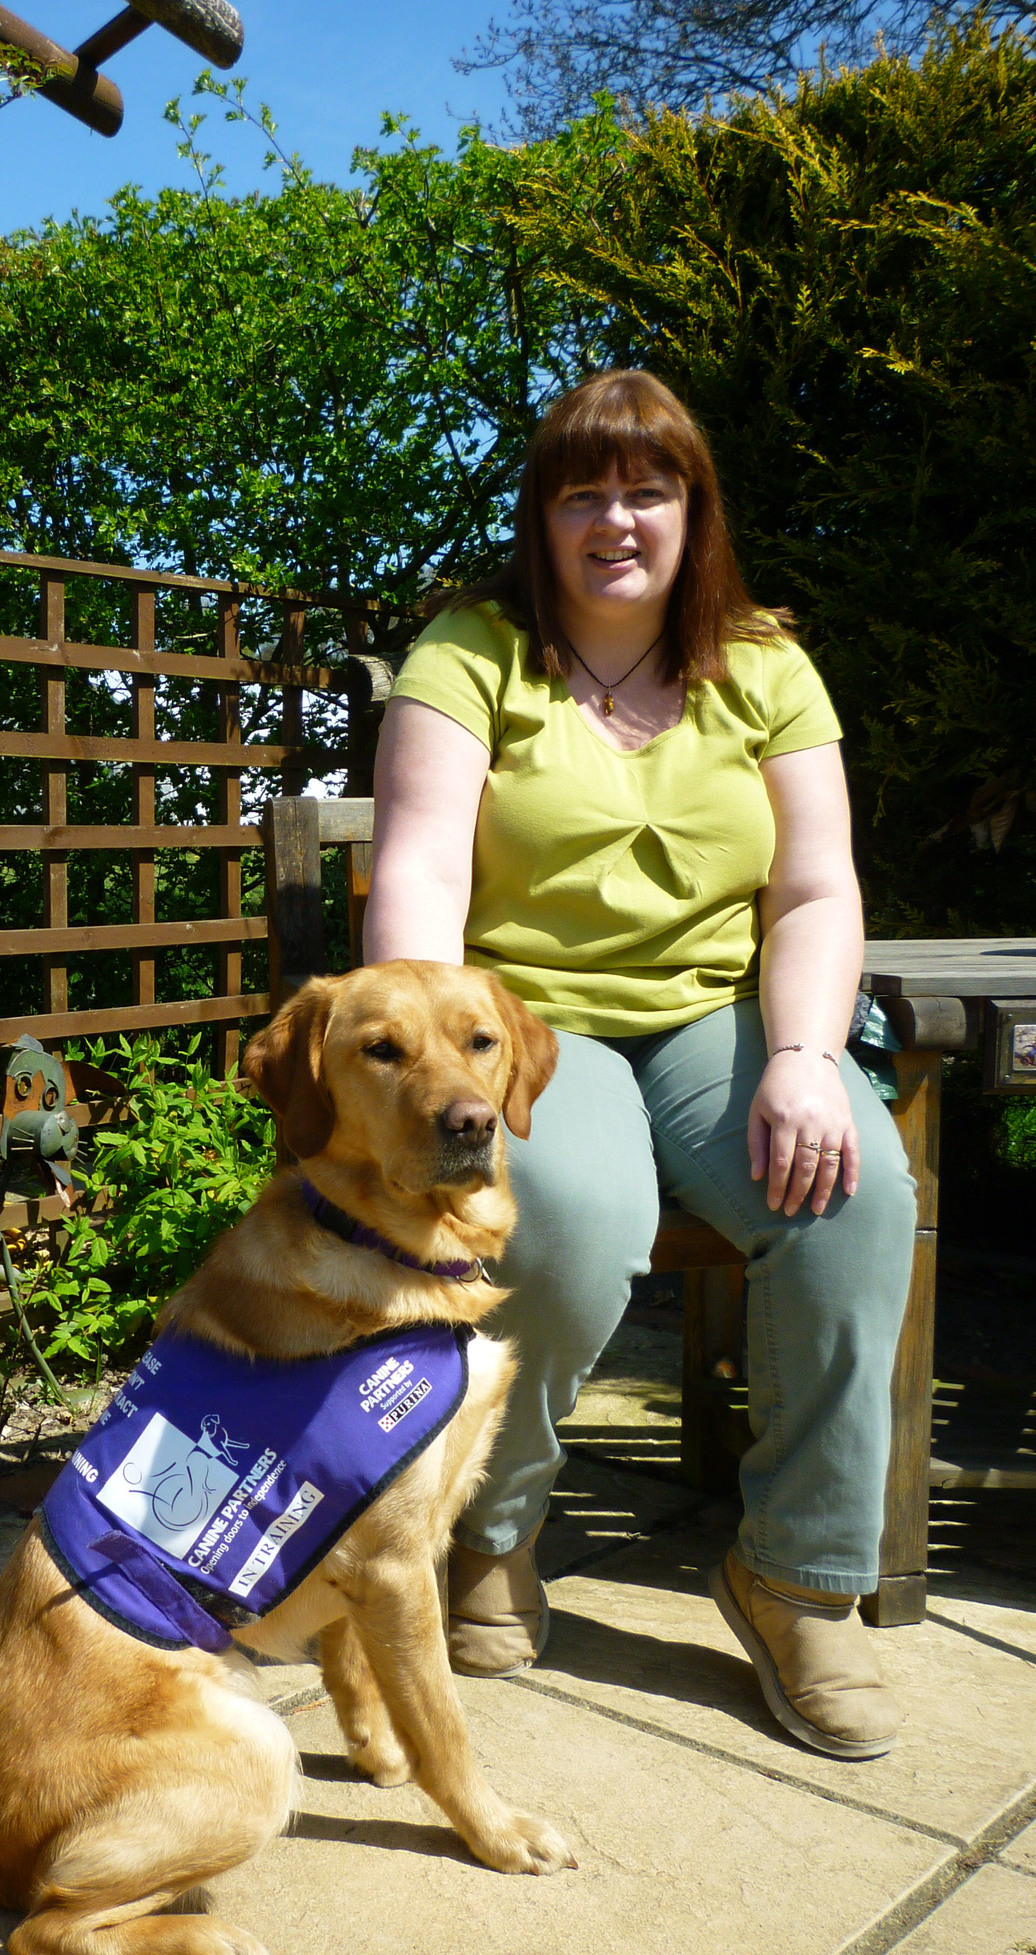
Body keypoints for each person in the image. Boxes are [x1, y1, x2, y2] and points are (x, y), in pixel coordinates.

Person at [366, 370, 916, 1761]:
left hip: (721, 1019)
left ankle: (796, 1581)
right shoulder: (470, 654)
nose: (617, 518)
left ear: (692, 507)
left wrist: (799, 1056)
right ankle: (494, 1531)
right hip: (531, 1023)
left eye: (648, 488)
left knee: (857, 1194)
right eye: (583, 491)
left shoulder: (767, 667)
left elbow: (815, 892)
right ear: (543, 516)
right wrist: (442, 1065)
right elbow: (423, 868)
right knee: (564, 1218)